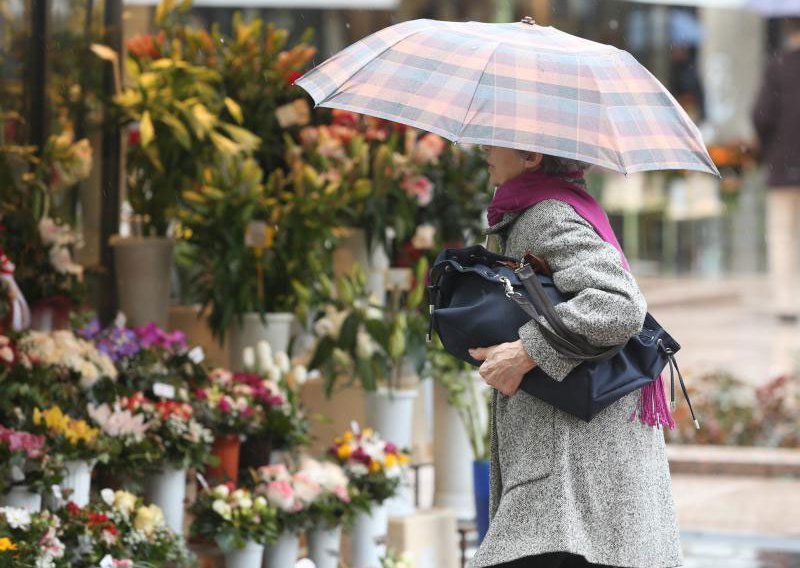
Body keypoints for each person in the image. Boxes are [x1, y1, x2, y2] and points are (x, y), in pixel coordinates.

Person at [467, 146, 682, 568]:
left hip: (569, 467)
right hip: (574, 461)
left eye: (495, 140)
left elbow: (618, 304)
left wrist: (527, 351)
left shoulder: (547, 214)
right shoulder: (545, 206)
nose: (484, 149)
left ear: (531, 156)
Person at [752, 18, 800, 322]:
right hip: (783, 162)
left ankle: (787, 303)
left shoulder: (779, 65)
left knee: (782, 235)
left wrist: (771, 148)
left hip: (783, 167)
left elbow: (761, 114)